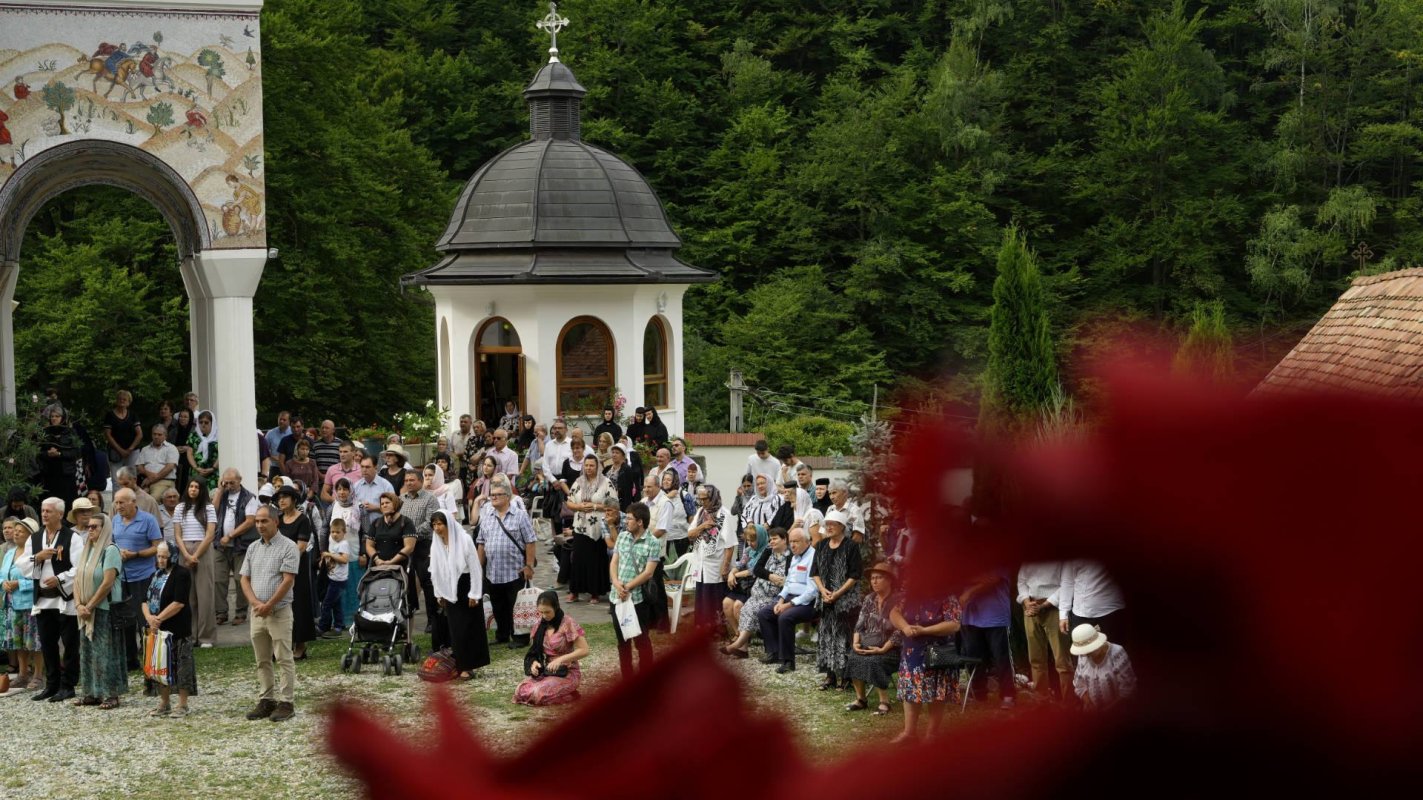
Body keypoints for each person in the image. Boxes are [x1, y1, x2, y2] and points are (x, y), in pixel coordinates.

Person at [241, 505, 299, 722]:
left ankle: (286, 702)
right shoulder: (253, 548)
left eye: (264, 521)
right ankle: (267, 699)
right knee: (262, 659)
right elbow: (244, 578)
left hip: (279, 612)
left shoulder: (288, 546)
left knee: (284, 657)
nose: (259, 525)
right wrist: (256, 603)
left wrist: (269, 605)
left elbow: (288, 580)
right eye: (257, 521)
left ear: (276, 521)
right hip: (257, 613)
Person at [21, 497, 82, 701]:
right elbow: (23, 566)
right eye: (43, 511)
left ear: (60, 514)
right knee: (47, 643)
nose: (44, 514)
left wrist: (60, 578)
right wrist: (37, 557)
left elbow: (79, 567)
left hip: (65, 598)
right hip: (43, 599)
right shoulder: (35, 538)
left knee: (70, 644)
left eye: (49, 511)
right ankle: (52, 684)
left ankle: (68, 685)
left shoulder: (72, 537)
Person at [890, 591, 964, 743]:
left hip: (939, 651)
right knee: (910, 690)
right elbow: (894, 613)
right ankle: (909, 733)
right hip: (912, 652)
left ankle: (932, 734)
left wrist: (924, 630)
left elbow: (954, 624)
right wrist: (904, 627)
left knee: (937, 691)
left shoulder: (947, 596)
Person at [72, 512, 126, 709]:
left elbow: (107, 582)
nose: (90, 530)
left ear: (105, 529)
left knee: (106, 651)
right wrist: (79, 605)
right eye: (89, 527)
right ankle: (91, 692)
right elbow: (77, 579)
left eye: (95, 527)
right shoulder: (86, 551)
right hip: (86, 610)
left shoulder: (110, 550)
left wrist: (90, 605)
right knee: (87, 651)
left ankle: (111, 693)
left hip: (103, 609)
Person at [475, 480, 536, 647]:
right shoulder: (487, 517)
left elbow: (530, 541)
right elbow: (481, 543)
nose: (493, 498)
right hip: (493, 572)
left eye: (497, 495)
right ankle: (502, 634)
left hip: (514, 571)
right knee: (498, 606)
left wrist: (529, 565)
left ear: (508, 497)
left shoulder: (520, 516)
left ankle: (520, 638)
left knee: (516, 607)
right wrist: (478, 568)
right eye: (491, 495)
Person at [429, 510, 488, 679]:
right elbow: (435, 570)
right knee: (456, 629)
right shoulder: (437, 543)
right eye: (434, 525)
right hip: (448, 587)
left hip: (466, 585)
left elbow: (475, 567)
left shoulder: (464, 539)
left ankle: (468, 666)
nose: (437, 528)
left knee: (469, 627)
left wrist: (475, 593)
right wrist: (438, 593)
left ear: (448, 524)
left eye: (440, 524)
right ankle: (461, 664)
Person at [143, 541, 197, 717]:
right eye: (158, 556)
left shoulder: (182, 574)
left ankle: (182, 704)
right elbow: (144, 600)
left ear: (172, 556)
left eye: (164, 556)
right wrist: (150, 618)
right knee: (161, 665)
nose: (160, 560)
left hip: (177, 627)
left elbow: (179, 602)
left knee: (181, 666)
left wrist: (158, 618)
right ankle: (164, 702)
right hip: (158, 629)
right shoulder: (155, 575)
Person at [111, 488, 163, 671]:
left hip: (143, 575)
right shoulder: (115, 521)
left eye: (122, 502)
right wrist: (118, 553)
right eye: (116, 502)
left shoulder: (148, 520)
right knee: (125, 620)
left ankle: (151, 659)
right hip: (122, 577)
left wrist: (136, 554)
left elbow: (157, 546)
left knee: (145, 619)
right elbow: (111, 544)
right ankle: (130, 660)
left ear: (133, 503)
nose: (118, 506)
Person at [811, 508, 862, 690]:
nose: (829, 527)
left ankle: (846, 677)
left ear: (841, 526)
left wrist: (838, 593)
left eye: (833, 524)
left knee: (843, 636)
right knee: (826, 636)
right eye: (827, 524)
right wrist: (823, 590)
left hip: (845, 600)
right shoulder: (822, 545)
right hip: (825, 598)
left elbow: (855, 575)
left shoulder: (851, 546)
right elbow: (814, 572)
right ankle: (829, 676)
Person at [843, 561, 902, 716]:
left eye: (879, 578)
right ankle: (861, 699)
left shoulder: (899, 600)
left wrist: (883, 648)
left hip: (893, 648)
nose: (874, 581)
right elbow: (860, 624)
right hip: (870, 643)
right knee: (853, 656)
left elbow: (900, 631)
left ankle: (884, 702)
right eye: (872, 578)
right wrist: (856, 643)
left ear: (889, 580)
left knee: (875, 661)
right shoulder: (870, 598)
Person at [756, 527, 818, 674]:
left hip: (808, 602)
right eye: (791, 542)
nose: (793, 545)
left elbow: (812, 591)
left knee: (785, 617)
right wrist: (780, 600)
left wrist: (789, 605)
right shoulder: (795, 557)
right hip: (790, 598)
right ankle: (774, 652)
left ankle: (788, 661)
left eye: (796, 542)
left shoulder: (814, 557)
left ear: (807, 541)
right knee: (764, 613)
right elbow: (788, 583)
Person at [608, 503, 658, 678]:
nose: (625, 521)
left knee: (642, 640)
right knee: (622, 642)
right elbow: (614, 561)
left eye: (629, 519)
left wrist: (627, 587)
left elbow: (648, 572)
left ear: (640, 522)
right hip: (617, 598)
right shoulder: (622, 536)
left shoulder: (652, 542)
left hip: (637, 599)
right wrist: (616, 583)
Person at [513, 590, 588, 706]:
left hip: (567, 672)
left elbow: (584, 650)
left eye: (548, 612)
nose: (544, 616)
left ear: (556, 607)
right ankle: (561, 694)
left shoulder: (567, 623)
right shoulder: (539, 625)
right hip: (547, 671)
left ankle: (570, 695)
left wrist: (560, 659)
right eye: (541, 612)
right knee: (521, 691)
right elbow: (535, 652)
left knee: (538, 693)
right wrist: (534, 664)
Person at [172, 479, 217, 647]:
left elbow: (210, 534)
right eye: (190, 486)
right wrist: (185, 554)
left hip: (202, 548)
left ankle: (206, 637)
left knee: (205, 594)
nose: (193, 489)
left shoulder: (209, 508)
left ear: (202, 490)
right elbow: (177, 534)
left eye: (196, 487)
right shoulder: (179, 508)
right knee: (187, 596)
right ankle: (189, 634)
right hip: (184, 548)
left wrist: (195, 555)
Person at [1019, 560, 1073, 702]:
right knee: (1036, 658)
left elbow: (1067, 585)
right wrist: (1026, 603)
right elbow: (1022, 581)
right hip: (1030, 605)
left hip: (1054, 606)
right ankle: (1041, 700)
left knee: (1062, 659)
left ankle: (1069, 702)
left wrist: (1044, 605)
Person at [566, 454, 615, 604]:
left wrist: (595, 506)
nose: (588, 468)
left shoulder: (606, 482)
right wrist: (579, 506)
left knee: (595, 560)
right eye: (586, 465)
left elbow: (613, 504)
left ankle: (595, 592)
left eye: (591, 465)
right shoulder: (578, 482)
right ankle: (575, 591)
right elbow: (569, 502)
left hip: (598, 526)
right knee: (578, 558)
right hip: (581, 525)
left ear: (598, 466)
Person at [274, 485, 317, 659]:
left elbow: (301, 546)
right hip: (278, 568)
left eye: (285, 497)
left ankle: (301, 645)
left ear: (294, 499)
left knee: (299, 605)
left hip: (296, 567)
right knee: (281, 605)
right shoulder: (277, 519)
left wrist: (286, 562)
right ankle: (282, 645)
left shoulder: (303, 520)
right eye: (279, 498)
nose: (281, 500)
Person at [213, 470, 259, 627]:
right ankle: (220, 613)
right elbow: (213, 511)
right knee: (218, 579)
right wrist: (219, 490)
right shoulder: (222, 493)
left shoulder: (249, 497)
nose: (229, 485)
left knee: (241, 580)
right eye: (226, 482)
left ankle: (240, 612)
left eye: (232, 482)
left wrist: (230, 535)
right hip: (220, 545)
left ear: (240, 480)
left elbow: (250, 521)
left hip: (240, 545)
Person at [3, 518, 42, 690]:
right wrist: (3, 583)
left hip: (30, 603)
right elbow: (2, 574)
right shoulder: (9, 553)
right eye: (15, 530)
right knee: (18, 641)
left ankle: (39, 675)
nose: (16, 532)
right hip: (12, 603)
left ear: (30, 535)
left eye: (21, 531)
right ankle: (23, 674)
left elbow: (39, 580)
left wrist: (19, 584)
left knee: (34, 641)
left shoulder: (35, 554)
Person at [398, 469, 439, 629]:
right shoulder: (401, 499)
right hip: (405, 546)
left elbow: (431, 523)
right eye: (406, 480)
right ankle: (405, 619)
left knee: (427, 582)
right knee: (406, 582)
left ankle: (432, 620)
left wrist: (411, 534)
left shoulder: (430, 499)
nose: (409, 483)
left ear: (420, 481)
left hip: (424, 545)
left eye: (412, 480)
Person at [690, 484, 734, 631]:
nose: (702, 503)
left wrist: (726, 566)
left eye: (705, 499)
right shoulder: (700, 513)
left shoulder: (724, 514)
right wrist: (702, 526)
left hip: (716, 565)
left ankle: (717, 631)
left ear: (713, 497)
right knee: (702, 598)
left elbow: (730, 544)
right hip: (701, 564)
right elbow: (690, 534)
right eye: (700, 499)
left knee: (715, 598)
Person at [1058, 559, 1128, 651]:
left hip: (1110, 611)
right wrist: (1063, 614)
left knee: (1112, 652)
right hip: (1079, 613)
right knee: (1082, 654)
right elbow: (1067, 581)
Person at [1069, 624, 1137, 710]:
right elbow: (1079, 685)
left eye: (1089, 650)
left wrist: (1105, 712)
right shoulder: (1083, 655)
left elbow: (1128, 689)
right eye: (1085, 651)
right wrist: (1089, 703)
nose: (1087, 654)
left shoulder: (1117, 653)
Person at [720, 523, 768, 644]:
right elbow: (740, 564)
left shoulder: (767, 551)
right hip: (743, 586)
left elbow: (755, 570)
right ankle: (738, 633)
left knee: (737, 606)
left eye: (753, 540)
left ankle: (744, 637)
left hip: (755, 586)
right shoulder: (748, 550)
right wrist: (732, 573)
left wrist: (736, 575)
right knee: (726, 603)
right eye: (748, 540)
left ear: (761, 538)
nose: (750, 543)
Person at [39, 406, 81, 509]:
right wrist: (47, 454)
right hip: (49, 475)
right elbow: (38, 452)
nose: (54, 418)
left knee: (67, 503)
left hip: (66, 474)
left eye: (57, 416)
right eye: (52, 416)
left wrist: (59, 454)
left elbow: (76, 452)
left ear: (63, 418)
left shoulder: (71, 433)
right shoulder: (44, 433)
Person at [317, 518, 352, 637]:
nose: (334, 535)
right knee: (336, 604)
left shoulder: (344, 544)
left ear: (344, 532)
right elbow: (330, 557)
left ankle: (323, 626)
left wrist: (329, 554)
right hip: (331, 577)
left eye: (338, 532)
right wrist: (324, 560)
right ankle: (338, 625)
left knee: (327, 604)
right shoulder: (332, 541)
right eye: (332, 532)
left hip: (339, 580)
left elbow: (344, 559)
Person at [135, 424, 178, 501]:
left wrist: (152, 479)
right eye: (154, 434)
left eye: (159, 434)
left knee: (151, 500)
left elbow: (170, 467)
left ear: (165, 436)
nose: (156, 437)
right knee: (134, 500)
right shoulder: (145, 449)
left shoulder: (171, 448)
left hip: (164, 482)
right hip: (145, 482)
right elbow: (139, 467)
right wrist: (148, 474)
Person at [351, 456, 394, 532]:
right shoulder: (356, 486)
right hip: (360, 529)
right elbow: (351, 506)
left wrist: (376, 507)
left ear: (375, 467)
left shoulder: (385, 485)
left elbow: (394, 508)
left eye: (367, 467)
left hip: (381, 528)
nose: (364, 470)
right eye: (362, 467)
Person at [103, 389, 144, 469]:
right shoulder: (110, 415)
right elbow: (107, 435)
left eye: (124, 399)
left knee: (130, 478)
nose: (122, 401)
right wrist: (120, 450)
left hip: (132, 452)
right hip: (115, 451)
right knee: (117, 479)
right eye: (119, 399)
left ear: (129, 402)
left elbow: (139, 434)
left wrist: (129, 449)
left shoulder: (133, 415)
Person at [185, 410, 219, 493]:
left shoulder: (218, 436)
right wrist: (196, 468)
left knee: (212, 495)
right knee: (196, 493)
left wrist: (213, 468)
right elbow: (189, 453)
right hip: (197, 470)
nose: (203, 425)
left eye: (206, 422)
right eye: (201, 422)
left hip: (214, 471)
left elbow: (221, 455)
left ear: (212, 423)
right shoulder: (193, 435)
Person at [284, 439, 321, 503]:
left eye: (307, 449)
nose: (305, 452)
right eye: (302, 449)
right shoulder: (289, 463)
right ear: (297, 449)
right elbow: (287, 481)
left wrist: (311, 492)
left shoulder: (312, 462)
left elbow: (315, 480)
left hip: (309, 495)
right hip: (294, 495)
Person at [605, 443, 640, 511]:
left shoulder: (626, 470)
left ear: (623, 456)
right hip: (606, 501)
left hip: (619, 504)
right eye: (613, 452)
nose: (614, 455)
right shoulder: (607, 468)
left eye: (617, 453)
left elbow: (627, 492)